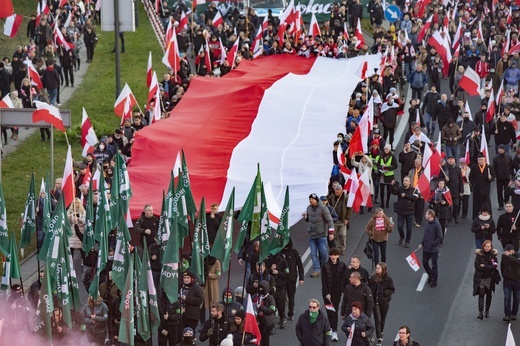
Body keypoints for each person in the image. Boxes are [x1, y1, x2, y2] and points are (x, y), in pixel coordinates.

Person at [303, 193, 334, 278]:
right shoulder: (309, 208)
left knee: (323, 253)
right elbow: (309, 219)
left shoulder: (323, 208)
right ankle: (317, 269)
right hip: (312, 235)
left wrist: (331, 233)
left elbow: (329, 221)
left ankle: (326, 268)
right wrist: (305, 218)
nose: (310, 201)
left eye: (312, 199)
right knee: (313, 253)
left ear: (316, 200)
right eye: (309, 199)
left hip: (321, 235)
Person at [321, 248, 347, 341]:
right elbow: (323, 280)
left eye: (335, 255)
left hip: (337, 293)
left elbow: (345, 277)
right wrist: (327, 293)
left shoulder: (342, 265)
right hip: (326, 293)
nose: (333, 257)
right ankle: (331, 328)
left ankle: (335, 331)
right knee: (329, 311)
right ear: (329, 255)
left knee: (334, 311)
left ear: (338, 256)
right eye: (332, 255)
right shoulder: (325, 265)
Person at [368, 262, 394, 345]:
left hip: (384, 302)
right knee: (378, 320)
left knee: (382, 320)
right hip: (375, 302)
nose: (377, 270)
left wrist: (385, 293)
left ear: (383, 270)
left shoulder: (388, 279)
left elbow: (392, 289)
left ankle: (381, 332)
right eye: (376, 268)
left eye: (378, 268)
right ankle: (379, 337)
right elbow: (368, 287)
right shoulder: (373, 278)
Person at [473, 240, 500, 319]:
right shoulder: (479, 255)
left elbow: (494, 266)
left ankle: (487, 311)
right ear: (483, 247)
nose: (487, 248)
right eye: (485, 246)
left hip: (490, 278)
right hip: (481, 278)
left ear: (491, 247)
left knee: (489, 295)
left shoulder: (493, 256)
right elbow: (477, 266)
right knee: (481, 294)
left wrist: (484, 266)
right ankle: (480, 312)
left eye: (488, 246)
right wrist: (488, 268)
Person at [418, 209, 443, 287]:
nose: (425, 215)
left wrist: (433, 243)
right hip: (426, 248)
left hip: (433, 249)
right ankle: (431, 274)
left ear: (430, 215)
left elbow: (440, 237)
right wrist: (422, 243)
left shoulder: (437, 225)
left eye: (426, 214)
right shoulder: (427, 223)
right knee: (425, 263)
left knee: (434, 265)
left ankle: (434, 281)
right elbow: (425, 235)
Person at [281, 240, 304, 321]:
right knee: (281, 297)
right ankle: (282, 315)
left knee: (291, 296)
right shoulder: (279, 252)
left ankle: (291, 313)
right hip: (281, 279)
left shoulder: (294, 252)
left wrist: (301, 278)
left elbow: (300, 265)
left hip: (291, 279)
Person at [327, 182, 352, 255]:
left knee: (342, 235)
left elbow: (350, 209)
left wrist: (347, 219)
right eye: (336, 189)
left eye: (338, 189)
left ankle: (342, 248)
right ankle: (336, 249)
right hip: (334, 221)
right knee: (333, 236)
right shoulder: (331, 198)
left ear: (341, 190)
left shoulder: (345, 198)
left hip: (342, 221)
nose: (337, 191)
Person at [394, 176, 418, 247]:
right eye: (404, 180)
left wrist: (406, 196)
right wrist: (393, 185)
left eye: (406, 180)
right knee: (399, 226)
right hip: (400, 211)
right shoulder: (400, 189)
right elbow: (394, 192)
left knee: (409, 228)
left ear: (410, 182)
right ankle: (402, 236)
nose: (404, 182)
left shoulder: (414, 190)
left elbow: (415, 197)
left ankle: (407, 241)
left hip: (409, 212)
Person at [469, 154, 495, 220]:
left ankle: (488, 217)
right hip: (477, 190)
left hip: (485, 190)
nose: (480, 161)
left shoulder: (489, 167)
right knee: (476, 204)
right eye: (479, 160)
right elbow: (470, 177)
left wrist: (490, 178)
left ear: (484, 160)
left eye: (481, 160)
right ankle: (476, 217)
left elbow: (493, 178)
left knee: (486, 204)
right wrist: (473, 184)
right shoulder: (474, 167)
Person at [252, 280, 276, 346]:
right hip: (257, 321)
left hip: (266, 323)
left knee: (265, 340)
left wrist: (261, 307)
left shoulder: (270, 298)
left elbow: (271, 310)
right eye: (259, 288)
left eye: (262, 289)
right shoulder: (255, 297)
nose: (261, 290)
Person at [501, 244, 520, 322]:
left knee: (517, 298)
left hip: (517, 281)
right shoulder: (504, 256)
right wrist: (504, 275)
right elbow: (502, 266)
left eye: (509, 251)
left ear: (513, 250)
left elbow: (518, 262)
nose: (507, 252)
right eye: (506, 251)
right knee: (507, 298)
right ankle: (507, 315)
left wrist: (509, 256)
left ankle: (514, 313)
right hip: (507, 281)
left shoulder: (517, 255)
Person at [375, 144, 397, 208]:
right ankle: (382, 203)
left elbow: (395, 166)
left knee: (389, 190)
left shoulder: (392, 156)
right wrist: (381, 167)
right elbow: (378, 164)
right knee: (382, 190)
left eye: (387, 149)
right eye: (385, 149)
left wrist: (387, 167)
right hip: (382, 175)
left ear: (389, 150)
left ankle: (387, 202)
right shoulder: (381, 156)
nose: (386, 150)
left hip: (389, 175)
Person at [493, 144, 513, 210]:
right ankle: (500, 205)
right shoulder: (495, 158)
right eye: (499, 149)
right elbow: (494, 168)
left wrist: (511, 175)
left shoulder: (509, 157)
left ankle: (506, 203)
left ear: (504, 150)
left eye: (501, 149)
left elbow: (511, 167)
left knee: (507, 191)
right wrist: (495, 176)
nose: (499, 150)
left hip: (507, 178)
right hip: (499, 178)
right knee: (499, 192)